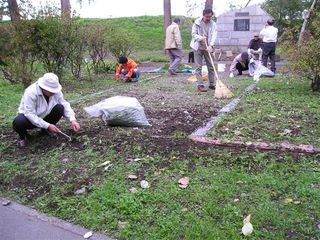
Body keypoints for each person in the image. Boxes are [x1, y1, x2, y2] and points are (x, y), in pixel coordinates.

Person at [12, 73, 81, 147]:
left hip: (45, 115)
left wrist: (72, 120)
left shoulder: (56, 92)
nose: (53, 93)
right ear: (43, 87)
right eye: (50, 91)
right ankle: (24, 136)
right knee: (18, 122)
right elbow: (29, 113)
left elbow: (64, 103)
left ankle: (46, 130)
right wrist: (47, 125)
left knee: (60, 108)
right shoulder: (31, 92)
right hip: (28, 119)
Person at [190, 8, 217, 92]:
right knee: (198, 67)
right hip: (197, 47)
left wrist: (211, 45)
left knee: (211, 66)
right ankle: (200, 85)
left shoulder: (213, 24)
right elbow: (193, 34)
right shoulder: (197, 22)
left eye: (210, 16)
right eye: (207, 16)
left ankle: (212, 84)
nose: (208, 18)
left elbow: (214, 35)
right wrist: (201, 38)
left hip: (207, 47)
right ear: (203, 15)